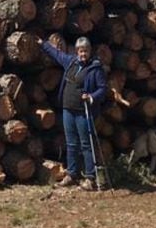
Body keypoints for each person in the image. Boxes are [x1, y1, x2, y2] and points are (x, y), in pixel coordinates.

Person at [39, 35, 107, 190]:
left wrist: (91, 97)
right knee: (71, 143)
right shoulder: (71, 62)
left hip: (83, 111)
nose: (83, 54)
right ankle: (71, 174)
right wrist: (42, 43)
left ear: (90, 51)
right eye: (81, 51)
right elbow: (57, 54)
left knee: (86, 144)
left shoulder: (95, 68)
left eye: (86, 51)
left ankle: (90, 178)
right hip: (67, 109)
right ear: (77, 51)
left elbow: (103, 88)